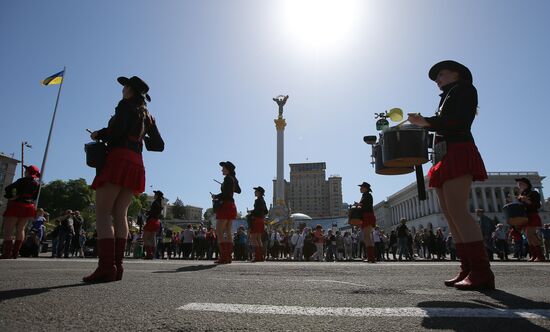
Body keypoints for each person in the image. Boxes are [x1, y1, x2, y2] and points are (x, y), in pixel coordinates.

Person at [408, 60, 493, 290]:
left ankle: (481, 271)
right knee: (450, 213)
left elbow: (457, 123)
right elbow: (443, 125)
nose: (438, 80)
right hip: (445, 155)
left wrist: (425, 121)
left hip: (458, 150)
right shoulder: (448, 96)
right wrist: (425, 125)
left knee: (457, 210)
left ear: (456, 74)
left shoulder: (464, 90)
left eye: (441, 75)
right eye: (436, 78)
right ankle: (467, 267)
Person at [84, 75, 164, 283]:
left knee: (102, 212)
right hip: (136, 161)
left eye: (124, 87)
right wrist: (140, 135)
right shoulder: (148, 115)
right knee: (121, 213)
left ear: (130, 90)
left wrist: (98, 134)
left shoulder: (125, 106)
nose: (122, 90)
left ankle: (105, 267)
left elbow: (116, 132)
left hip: (119, 158)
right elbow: (159, 145)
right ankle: (117, 266)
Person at [2, 165, 40, 259]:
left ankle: (7, 253)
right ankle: (15, 253)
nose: (24, 171)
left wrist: (12, 196)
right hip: (28, 206)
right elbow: (34, 197)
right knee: (21, 229)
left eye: (26, 170)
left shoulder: (21, 180)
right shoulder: (37, 183)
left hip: (17, 205)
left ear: (28, 172)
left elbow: (8, 189)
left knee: (8, 229)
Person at [212, 161, 241, 264]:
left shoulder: (228, 178)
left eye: (223, 168)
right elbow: (238, 190)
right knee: (228, 231)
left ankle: (224, 256)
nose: (221, 170)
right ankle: (228, 256)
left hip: (226, 206)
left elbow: (226, 194)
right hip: (231, 206)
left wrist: (216, 196)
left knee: (219, 231)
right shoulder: (233, 179)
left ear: (228, 169)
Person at [516, 177, 545, 262]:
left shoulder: (533, 193)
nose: (519, 185)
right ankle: (534, 255)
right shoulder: (521, 195)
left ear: (526, 184)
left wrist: (527, 201)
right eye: (518, 184)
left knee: (531, 234)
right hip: (525, 216)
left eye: (520, 183)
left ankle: (540, 255)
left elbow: (537, 205)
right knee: (528, 236)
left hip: (532, 215)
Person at [358, 182, 376, 263]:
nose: (360, 188)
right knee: (366, 237)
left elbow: (365, 206)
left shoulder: (368, 195)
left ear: (365, 188)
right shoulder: (365, 195)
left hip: (368, 216)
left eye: (361, 187)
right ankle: (370, 256)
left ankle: (371, 257)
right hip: (366, 216)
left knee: (367, 237)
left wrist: (358, 204)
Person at [143, 191, 165, 259]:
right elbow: (156, 212)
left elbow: (152, 212)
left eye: (155, 194)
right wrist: (148, 212)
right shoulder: (160, 204)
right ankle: (152, 253)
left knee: (145, 237)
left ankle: (149, 253)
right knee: (153, 237)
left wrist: (147, 212)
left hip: (151, 220)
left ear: (157, 195)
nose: (154, 195)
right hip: (157, 221)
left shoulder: (155, 202)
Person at [250, 186, 268, 262]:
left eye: (256, 191)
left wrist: (252, 212)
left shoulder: (257, 200)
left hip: (257, 219)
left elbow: (257, 211)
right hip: (261, 220)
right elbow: (266, 211)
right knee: (258, 238)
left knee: (253, 238)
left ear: (259, 192)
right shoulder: (263, 201)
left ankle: (257, 256)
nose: (255, 192)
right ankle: (261, 256)